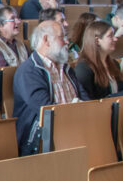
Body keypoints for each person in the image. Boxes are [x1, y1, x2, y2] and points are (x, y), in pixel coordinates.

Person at [12, 19, 89, 155]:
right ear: (46, 40)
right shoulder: (29, 71)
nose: (67, 42)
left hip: (74, 128)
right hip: (43, 137)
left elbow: (86, 100)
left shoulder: (66, 69)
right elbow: (46, 111)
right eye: (62, 37)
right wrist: (76, 112)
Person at [74, 21, 123, 100]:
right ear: (97, 41)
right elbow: (87, 101)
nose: (115, 39)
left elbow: (122, 92)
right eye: (110, 36)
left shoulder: (114, 64)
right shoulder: (83, 69)